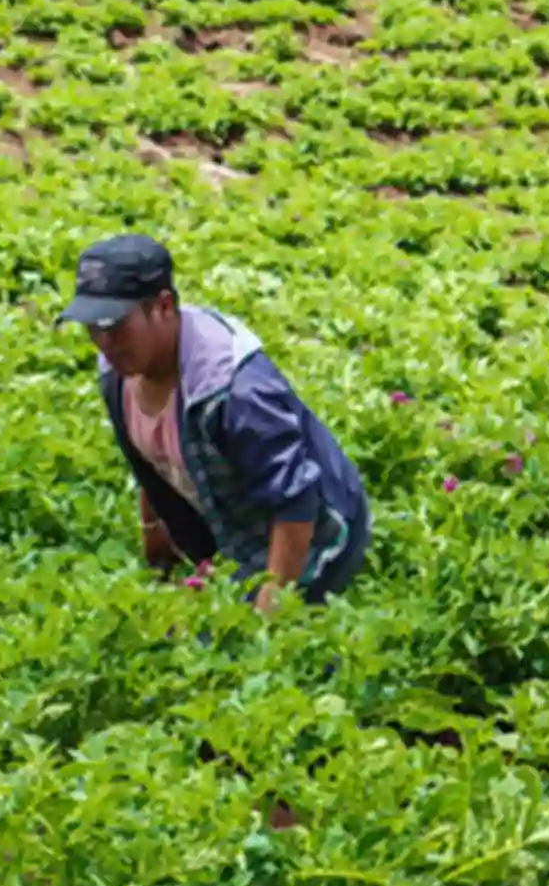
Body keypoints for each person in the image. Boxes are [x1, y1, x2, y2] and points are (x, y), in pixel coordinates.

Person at [56, 233, 372, 612]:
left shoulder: (236, 392)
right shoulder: (118, 372)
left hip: (313, 536)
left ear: (164, 306)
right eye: (93, 327)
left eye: (115, 325)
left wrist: (271, 607)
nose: (104, 342)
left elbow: (297, 502)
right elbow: (152, 460)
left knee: (225, 648)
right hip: (232, 532)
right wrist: (155, 537)